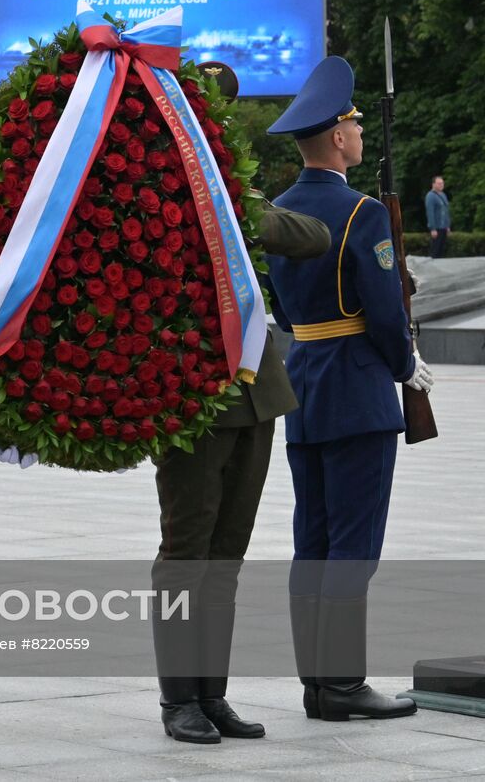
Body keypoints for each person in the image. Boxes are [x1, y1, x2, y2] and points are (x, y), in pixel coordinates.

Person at [149, 69, 336, 743]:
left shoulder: (230, 198)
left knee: (226, 553)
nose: (214, 124)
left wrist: (235, 201)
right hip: (191, 394)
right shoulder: (159, 198)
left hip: (253, 389)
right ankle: (179, 699)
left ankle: (212, 692)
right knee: (187, 549)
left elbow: (305, 236)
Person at [266, 56, 434, 721]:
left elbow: (282, 307)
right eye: (355, 126)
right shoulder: (362, 213)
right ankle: (343, 683)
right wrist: (405, 364)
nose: (361, 135)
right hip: (359, 391)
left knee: (314, 540)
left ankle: (318, 683)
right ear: (336, 138)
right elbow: (386, 310)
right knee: (354, 547)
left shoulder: (276, 211)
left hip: (304, 383)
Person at [425, 176, 450, 259]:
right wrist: (433, 228)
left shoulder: (443, 195)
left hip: (443, 227)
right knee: (435, 250)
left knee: (441, 250)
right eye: (439, 183)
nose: (441, 185)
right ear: (433, 184)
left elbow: (446, 212)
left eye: (442, 183)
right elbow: (430, 213)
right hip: (437, 228)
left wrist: (447, 226)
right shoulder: (430, 196)